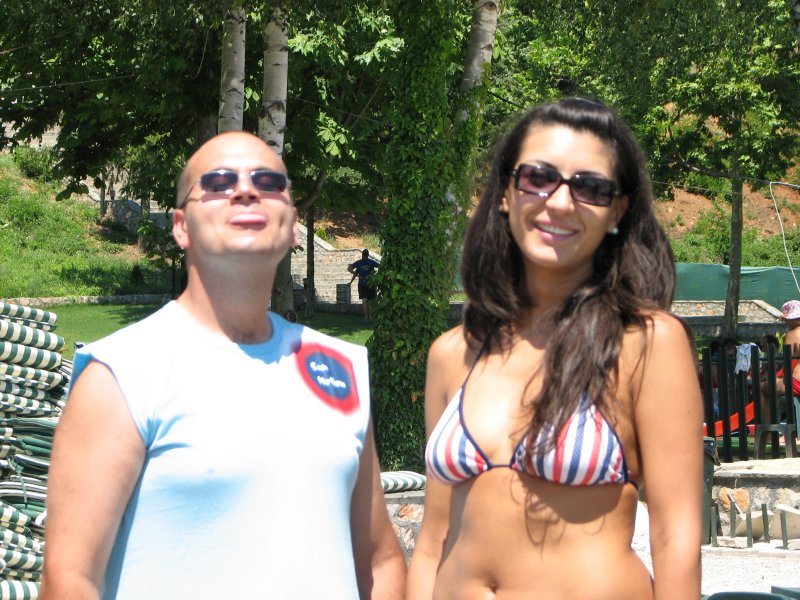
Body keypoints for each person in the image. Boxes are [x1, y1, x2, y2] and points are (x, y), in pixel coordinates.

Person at [40, 132, 405, 599]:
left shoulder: (340, 368)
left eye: (269, 182)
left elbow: (378, 562)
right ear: (180, 227)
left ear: (293, 225)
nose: (246, 190)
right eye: (218, 182)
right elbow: (69, 579)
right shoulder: (121, 373)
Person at [407, 98, 703, 600]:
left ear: (617, 211)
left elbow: (676, 534)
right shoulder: (452, 353)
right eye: (538, 177)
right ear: (506, 192)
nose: (561, 202)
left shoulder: (646, 342)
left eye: (590, 187)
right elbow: (434, 540)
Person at [760, 300, 800, 423]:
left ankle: (768, 430)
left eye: (787, 320)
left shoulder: (792, 334)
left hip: (797, 383)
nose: (786, 323)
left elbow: (787, 365)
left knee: (762, 388)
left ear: (794, 319)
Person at [348, 249, 380, 321]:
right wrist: (376, 275)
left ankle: (366, 317)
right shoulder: (371, 262)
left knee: (364, 300)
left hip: (362, 284)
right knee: (370, 300)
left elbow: (349, 269)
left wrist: (358, 276)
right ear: (368, 255)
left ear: (362, 254)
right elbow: (380, 266)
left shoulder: (358, 263)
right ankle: (370, 316)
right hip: (370, 284)